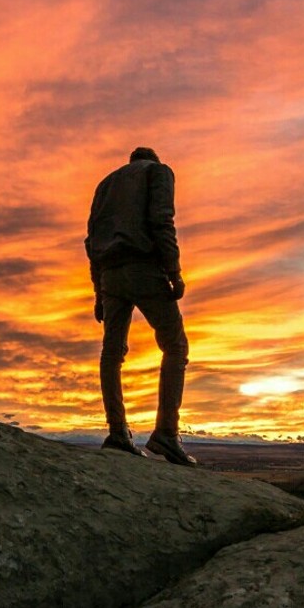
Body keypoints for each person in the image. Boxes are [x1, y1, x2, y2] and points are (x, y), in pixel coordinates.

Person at [85, 146, 196, 465]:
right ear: (152, 159)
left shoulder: (104, 185)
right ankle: (166, 434)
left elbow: (91, 240)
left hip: (109, 275)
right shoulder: (157, 172)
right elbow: (162, 220)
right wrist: (173, 271)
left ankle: (118, 432)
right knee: (175, 346)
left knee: (111, 351)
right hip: (143, 267)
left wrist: (98, 292)